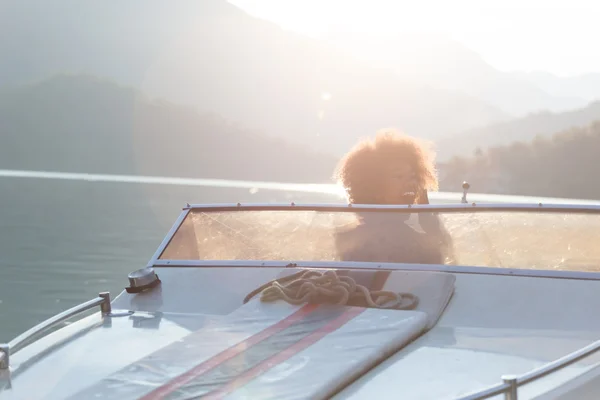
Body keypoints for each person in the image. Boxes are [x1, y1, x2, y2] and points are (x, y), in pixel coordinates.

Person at [332, 130, 456, 287]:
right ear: (373, 186)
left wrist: (424, 205)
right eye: (399, 177)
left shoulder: (417, 235)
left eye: (412, 177)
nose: (410, 184)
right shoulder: (355, 239)